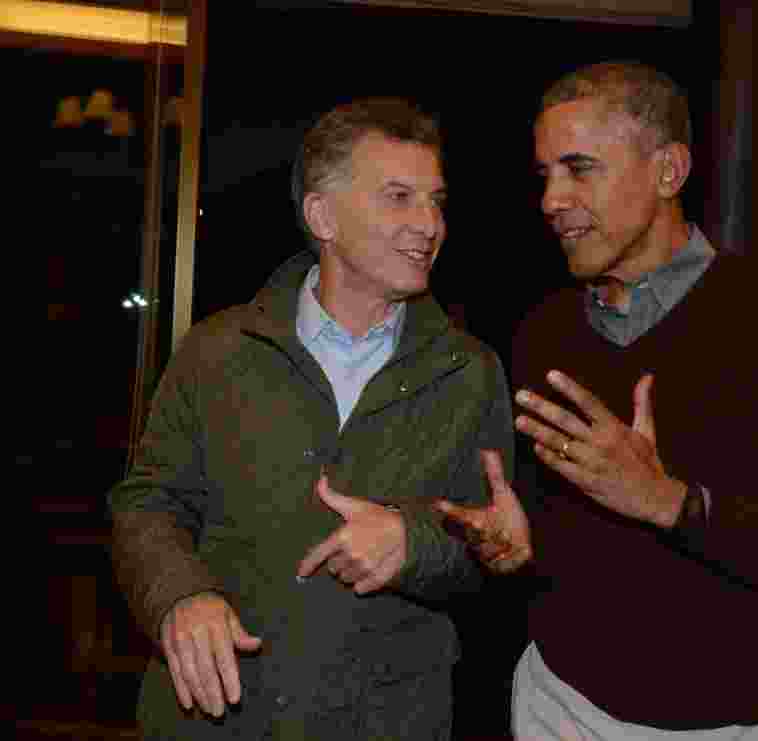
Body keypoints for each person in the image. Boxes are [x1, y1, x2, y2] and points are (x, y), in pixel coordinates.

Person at [437, 61, 758, 740]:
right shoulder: (546, 328)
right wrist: (517, 542)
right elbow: (563, 538)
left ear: (668, 172)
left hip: (732, 726)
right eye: (545, 174)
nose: (552, 198)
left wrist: (670, 501)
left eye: (579, 168)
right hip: (557, 708)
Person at [108, 97, 514, 740]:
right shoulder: (218, 350)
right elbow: (146, 504)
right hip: (216, 719)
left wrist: (416, 546)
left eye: (436, 200)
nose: (429, 223)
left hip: (385, 723)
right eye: (399, 196)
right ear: (321, 215)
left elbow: (492, 555)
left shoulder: (471, 372)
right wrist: (178, 596)